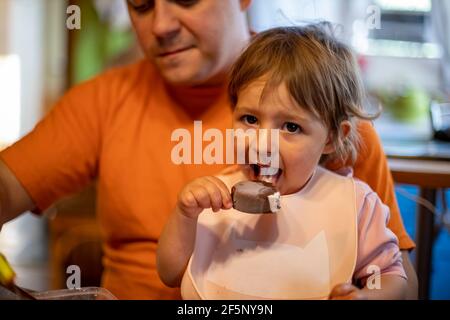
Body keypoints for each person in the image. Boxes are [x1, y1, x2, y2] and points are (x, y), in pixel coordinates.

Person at [0, 0, 416, 299]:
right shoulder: (103, 100)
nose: (161, 24)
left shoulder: (324, 103)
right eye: (141, 5)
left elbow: (399, 276)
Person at [156, 24, 408, 300]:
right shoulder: (214, 197)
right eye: (250, 119)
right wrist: (184, 215)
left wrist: (367, 296)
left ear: (332, 137)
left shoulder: (356, 204)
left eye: (290, 127)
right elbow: (170, 274)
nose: (263, 144)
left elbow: (389, 276)